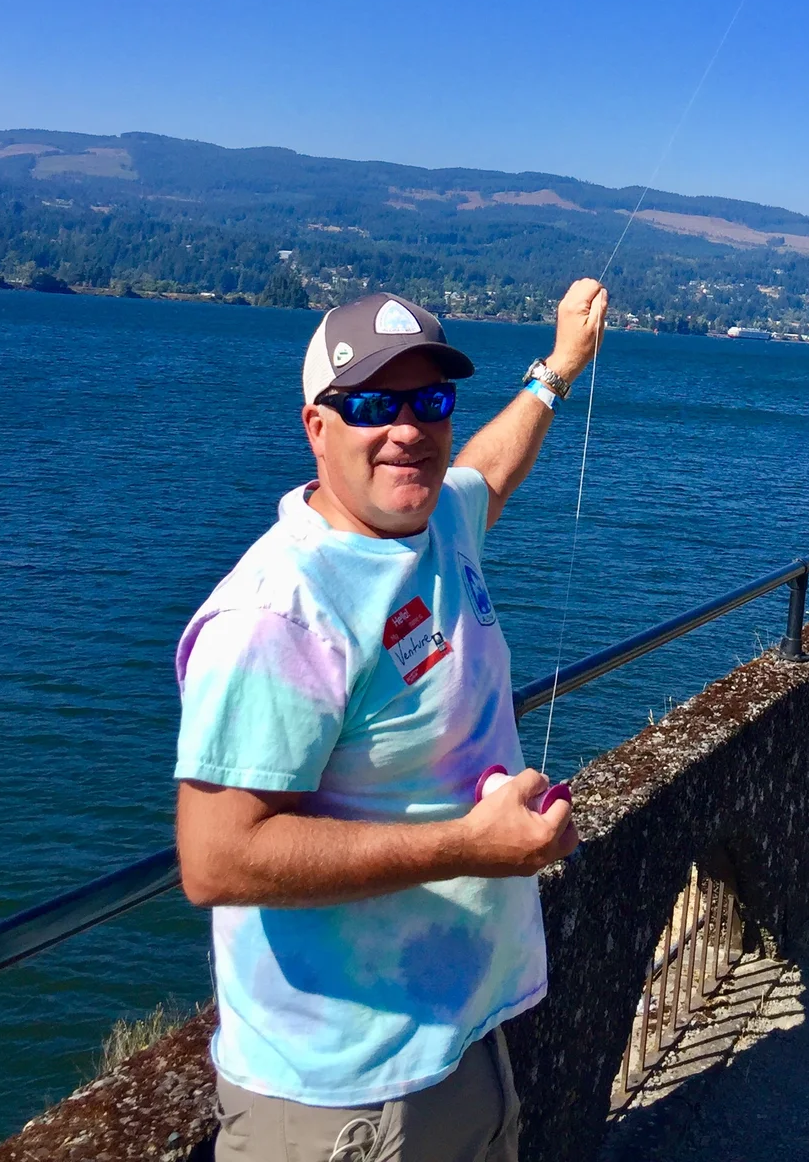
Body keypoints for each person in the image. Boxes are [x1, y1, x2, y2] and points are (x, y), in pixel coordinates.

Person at [174, 278, 608, 1162]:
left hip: (460, 1041)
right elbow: (216, 858)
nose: (407, 429)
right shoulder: (281, 613)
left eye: (429, 401)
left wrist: (558, 371)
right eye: (373, 405)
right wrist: (470, 847)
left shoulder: (439, 522)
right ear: (317, 427)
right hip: (342, 1099)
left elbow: (492, 469)